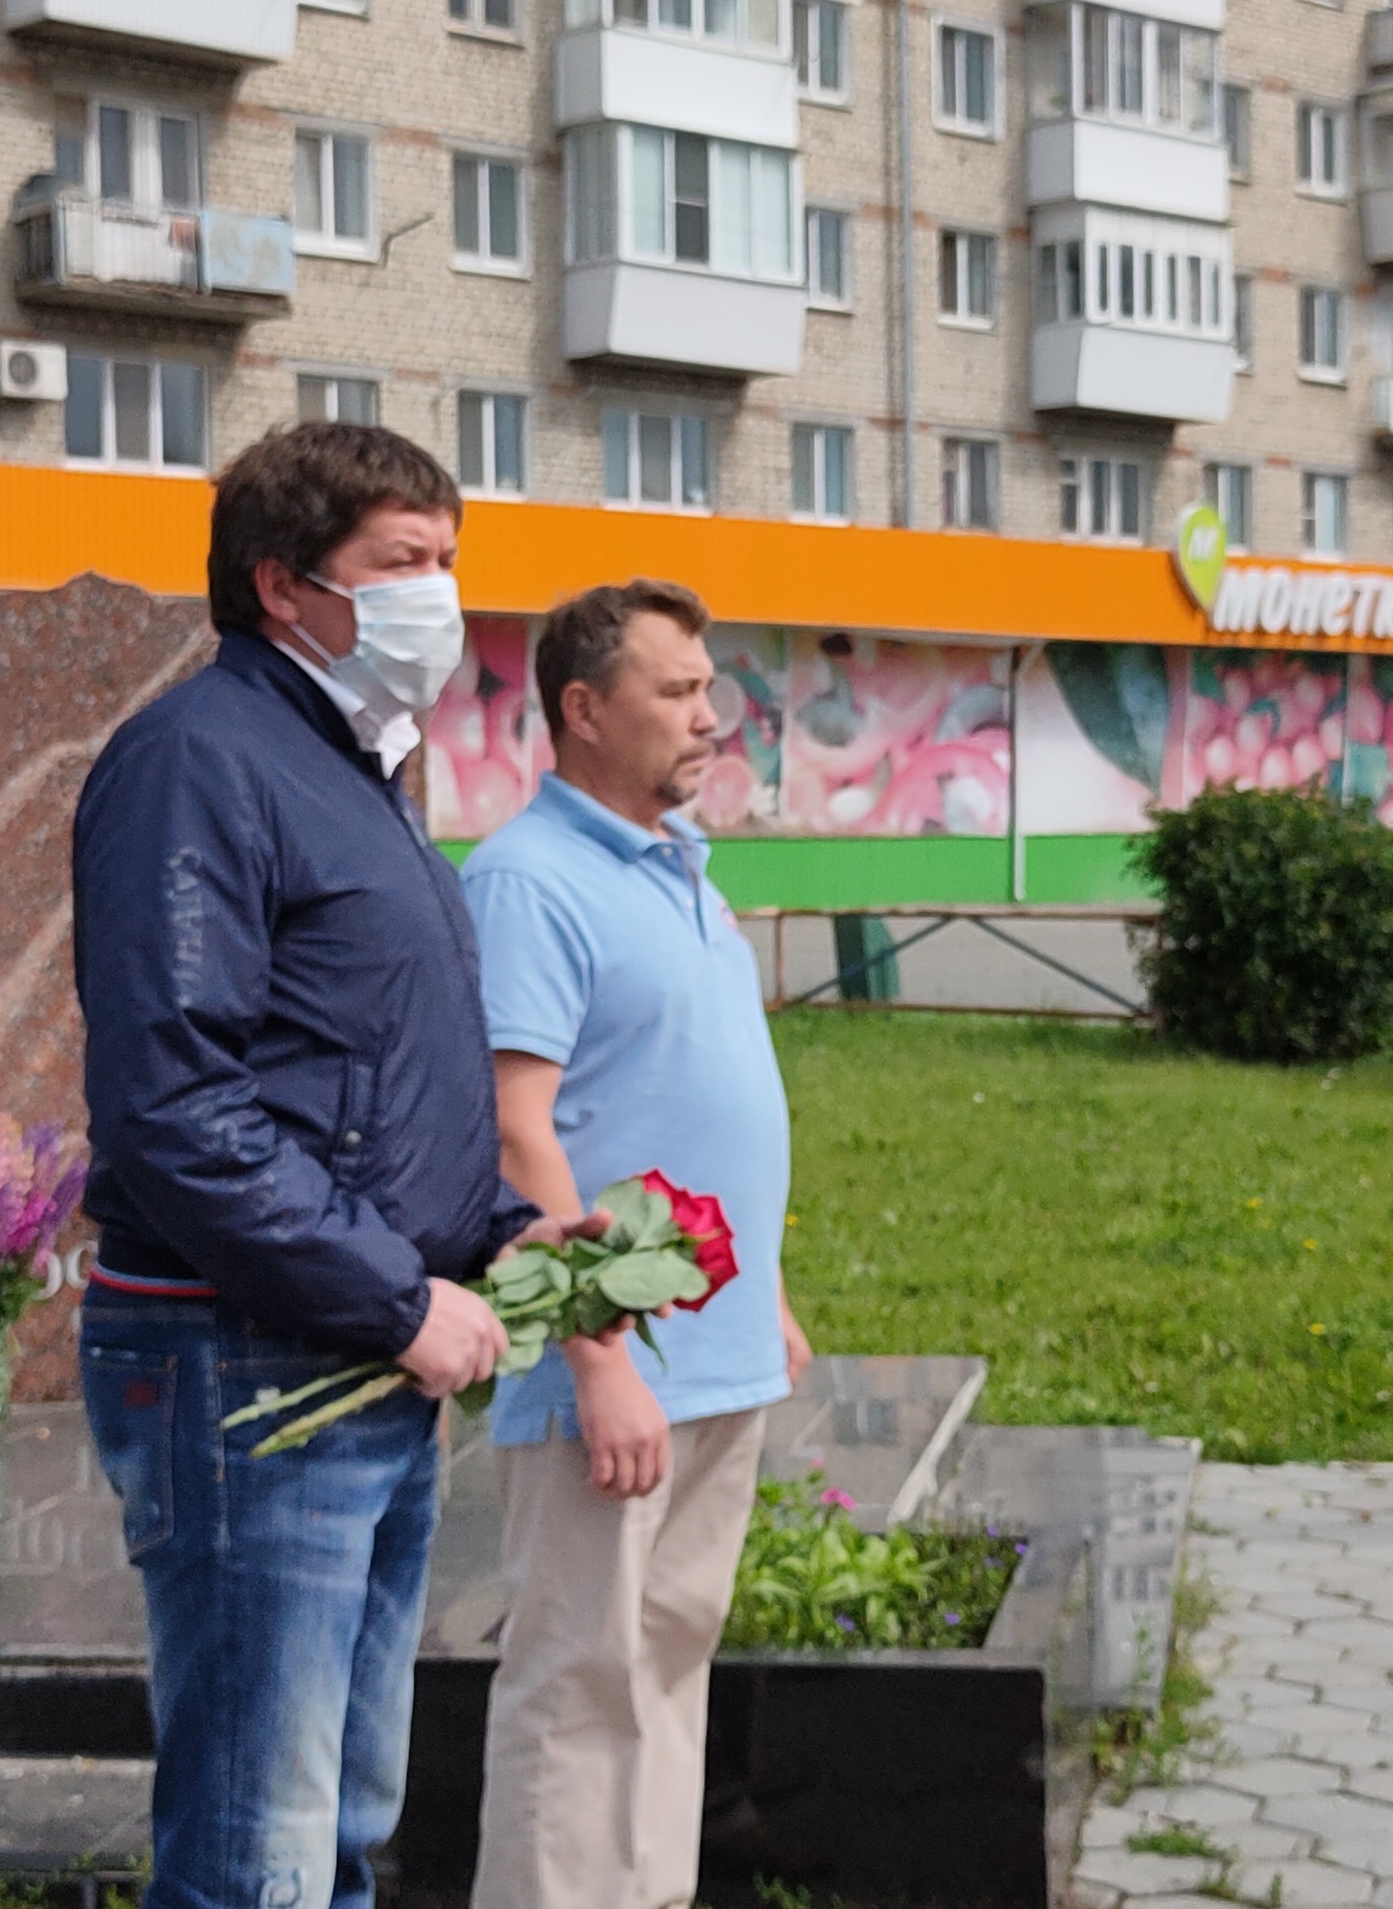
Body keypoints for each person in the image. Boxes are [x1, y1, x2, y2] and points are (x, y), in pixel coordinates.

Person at [72, 423, 583, 1909]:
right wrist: (395, 1295)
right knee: (259, 1851)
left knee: (337, 1825)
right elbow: (177, 1105)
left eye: (450, 559)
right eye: (405, 563)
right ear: (284, 585)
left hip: (347, 1346)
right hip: (249, 1360)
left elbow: (360, 1073)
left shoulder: (353, 770)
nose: (443, 596)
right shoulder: (198, 762)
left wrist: (494, 1235)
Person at [461, 578, 812, 1909]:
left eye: (709, 688)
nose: (711, 716)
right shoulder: (527, 882)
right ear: (585, 710)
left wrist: (764, 1291)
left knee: (666, 1661)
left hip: (714, 1354)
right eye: (677, 691)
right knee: (578, 1685)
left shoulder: (683, 869)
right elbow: (519, 1135)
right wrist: (598, 1358)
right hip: (608, 1368)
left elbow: (686, 1099)